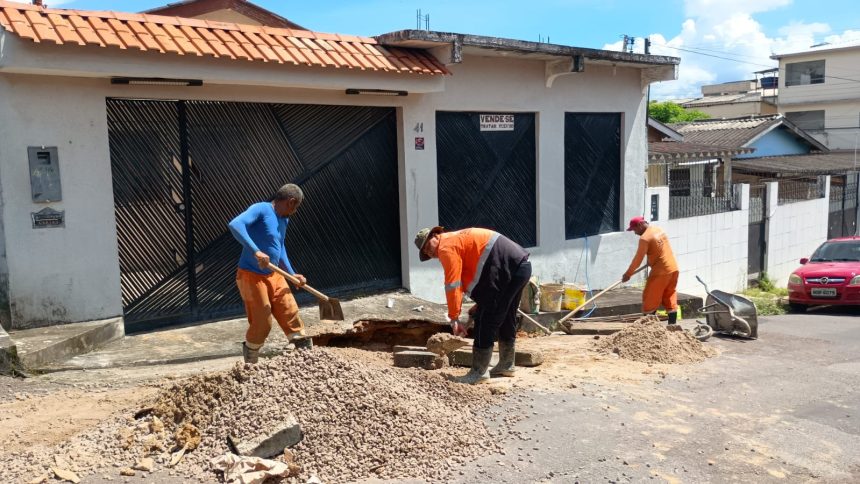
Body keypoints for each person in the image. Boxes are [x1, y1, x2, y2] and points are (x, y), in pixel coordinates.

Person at [415, 226, 531, 384]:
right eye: (425, 252)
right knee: (505, 316)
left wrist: (454, 318)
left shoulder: (446, 247)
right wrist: (479, 302)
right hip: (519, 267)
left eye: (428, 246)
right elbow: (481, 272)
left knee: (486, 319)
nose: (429, 252)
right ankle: (507, 364)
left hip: (509, 268)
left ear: (435, 235)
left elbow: (453, 284)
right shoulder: (456, 240)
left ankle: (479, 372)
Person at [228, 184, 308, 363]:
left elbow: (280, 247)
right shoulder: (262, 209)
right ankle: (251, 358)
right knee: (262, 321)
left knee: (289, 310)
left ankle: (304, 354)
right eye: (296, 206)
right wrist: (256, 251)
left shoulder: (284, 219)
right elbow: (235, 225)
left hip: (275, 274)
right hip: (251, 275)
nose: (295, 211)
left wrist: (291, 274)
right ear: (291, 202)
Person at [622, 216, 679, 325]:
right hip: (673, 269)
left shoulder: (645, 238)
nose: (635, 233)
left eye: (634, 229)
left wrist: (628, 274)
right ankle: (672, 326)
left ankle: (650, 330)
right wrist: (651, 260)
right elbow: (660, 249)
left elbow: (638, 259)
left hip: (660, 272)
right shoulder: (659, 230)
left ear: (640, 225)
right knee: (669, 296)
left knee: (649, 299)